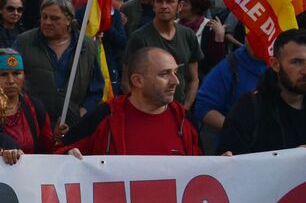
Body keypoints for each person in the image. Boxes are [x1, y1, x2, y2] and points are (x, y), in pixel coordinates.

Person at [220, 28, 306, 154]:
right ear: (275, 64)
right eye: (296, 62)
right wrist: (289, 160)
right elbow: (234, 167)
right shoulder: (249, 109)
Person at [60, 46, 202, 158]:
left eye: (175, 72)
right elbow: (56, 155)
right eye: (164, 74)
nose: (175, 81)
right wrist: (68, 156)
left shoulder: (185, 120)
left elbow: (201, 173)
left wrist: (221, 165)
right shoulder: (104, 116)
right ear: (137, 80)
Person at [15, 0, 102, 129]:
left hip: (73, 127)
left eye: (54, 18)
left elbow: (96, 88)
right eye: (44, 17)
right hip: (34, 125)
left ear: (68, 20)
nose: (47, 22)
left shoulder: (87, 46)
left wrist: (82, 113)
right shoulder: (24, 42)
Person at [126, 0, 202, 111]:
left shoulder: (188, 35)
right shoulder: (139, 38)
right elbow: (127, 82)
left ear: (180, 6)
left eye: (170, 1)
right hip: (149, 112)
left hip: (180, 111)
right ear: (153, 6)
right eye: (159, 1)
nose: (164, 6)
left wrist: (184, 110)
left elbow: (193, 79)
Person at [0, 49, 58, 154]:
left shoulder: (35, 107)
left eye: (16, 73)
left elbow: (48, 150)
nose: (11, 81)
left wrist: (57, 139)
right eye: (3, 75)